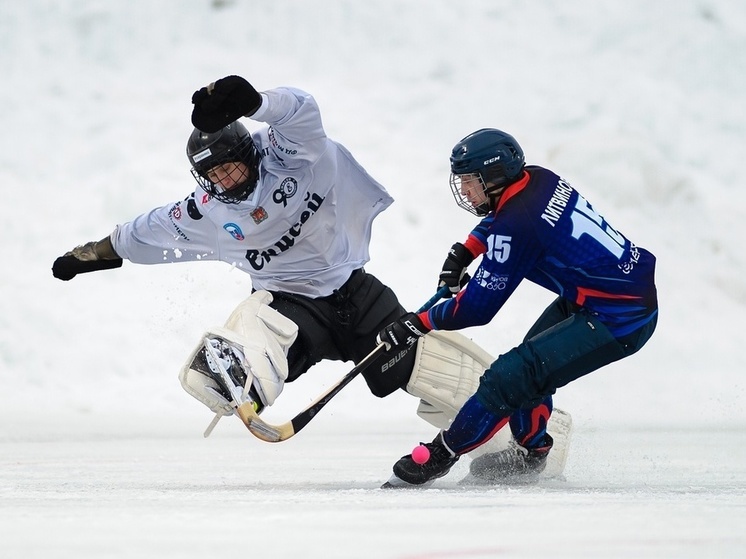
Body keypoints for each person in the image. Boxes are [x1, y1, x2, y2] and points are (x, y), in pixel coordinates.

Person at [52, 75, 421, 427]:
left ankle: (474, 438)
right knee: (260, 318)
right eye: (213, 176)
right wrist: (97, 252)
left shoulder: (292, 157)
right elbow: (147, 230)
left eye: (229, 168)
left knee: (434, 369)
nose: (224, 181)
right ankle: (237, 371)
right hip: (294, 305)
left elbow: (301, 112)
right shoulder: (207, 213)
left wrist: (257, 103)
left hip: (355, 290)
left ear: (249, 153)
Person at [377, 128, 658, 487]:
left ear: (493, 177)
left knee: (510, 376)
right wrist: (467, 250)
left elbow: (476, 308)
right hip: (606, 297)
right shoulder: (537, 178)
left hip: (621, 318)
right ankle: (532, 454)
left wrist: (417, 323)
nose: (464, 190)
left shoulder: (518, 225)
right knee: (529, 370)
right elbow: (503, 215)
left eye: (470, 181)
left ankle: (439, 455)